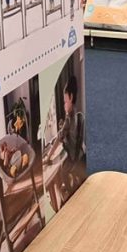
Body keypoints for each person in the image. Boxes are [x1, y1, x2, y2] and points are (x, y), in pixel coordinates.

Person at [44, 75, 86, 203]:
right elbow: (73, 135)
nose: (63, 105)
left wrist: (48, 157)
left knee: (62, 170)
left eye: (65, 101)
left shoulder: (69, 119)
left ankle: (70, 193)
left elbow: (58, 139)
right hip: (81, 155)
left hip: (74, 158)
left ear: (71, 97)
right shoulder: (79, 116)